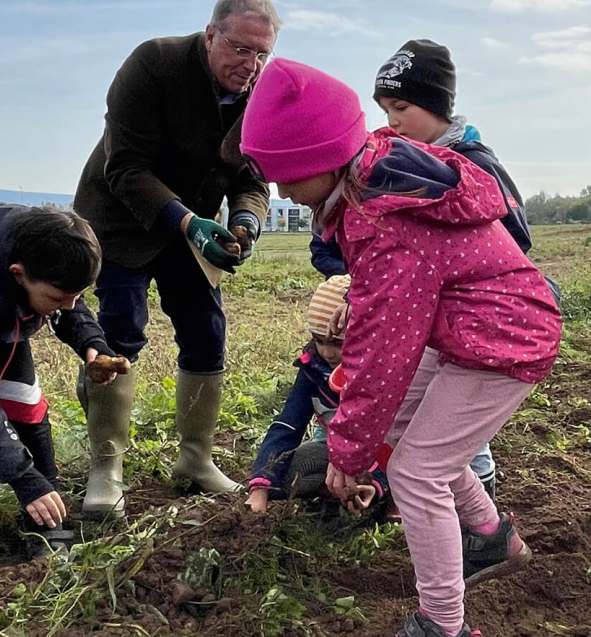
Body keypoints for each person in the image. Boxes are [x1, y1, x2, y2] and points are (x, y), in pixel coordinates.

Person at [240, 58, 562, 637]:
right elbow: (382, 321)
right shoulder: (374, 184)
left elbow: (384, 347)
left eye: (284, 174)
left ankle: (443, 623)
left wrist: (347, 453)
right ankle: (490, 539)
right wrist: (359, 442)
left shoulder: (386, 221)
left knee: (416, 472)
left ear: (319, 158)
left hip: (504, 339)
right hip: (468, 328)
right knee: (406, 437)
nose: (280, 188)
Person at [73, 0, 281, 517]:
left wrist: (246, 222)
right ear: (211, 34)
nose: (250, 64)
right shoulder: (154, 64)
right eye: (240, 48)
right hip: (123, 217)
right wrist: (189, 222)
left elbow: (254, 176)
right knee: (121, 331)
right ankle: (106, 468)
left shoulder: (260, 94)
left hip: (198, 227)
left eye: (262, 54)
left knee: (206, 331)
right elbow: (125, 167)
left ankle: (195, 460)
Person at [312, 38, 537, 501]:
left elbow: (514, 241)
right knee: (429, 418)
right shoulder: (403, 169)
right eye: (385, 109)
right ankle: (455, 511)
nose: (391, 120)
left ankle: (479, 501)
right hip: (432, 318)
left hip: (477, 321)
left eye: (402, 106)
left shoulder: (472, 164)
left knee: (455, 431)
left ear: (439, 107)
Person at [0, 205, 121, 557]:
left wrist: (92, 344)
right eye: (59, 299)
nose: (69, 304)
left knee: (25, 402)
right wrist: (22, 478)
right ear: (18, 274)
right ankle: (35, 491)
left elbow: (68, 301)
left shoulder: (48, 246)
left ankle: (44, 523)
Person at [247, 275, 388, 514]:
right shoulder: (313, 369)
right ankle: (335, 494)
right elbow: (287, 425)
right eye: (319, 341)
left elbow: (396, 443)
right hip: (336, 454)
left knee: (402, 472)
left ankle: (385, 497)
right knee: (294, 469)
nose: (327, 352)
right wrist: (261, 487)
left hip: (386, 457)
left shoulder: (385, 373)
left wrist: (375, 481)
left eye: (337, 343)